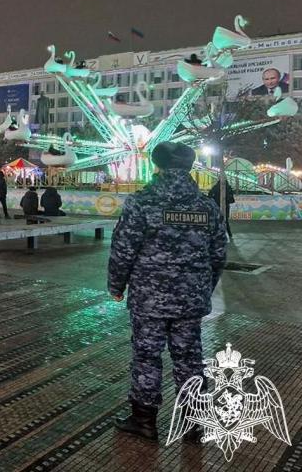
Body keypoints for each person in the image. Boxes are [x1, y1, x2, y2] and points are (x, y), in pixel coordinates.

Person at [108, 141, 227, 443]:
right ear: (188, 168)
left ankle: (144, 421)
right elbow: (218, 254)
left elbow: (123, 249)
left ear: (157, 167)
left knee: (147, 357)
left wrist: (116, 286)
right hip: (190, 301)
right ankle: (194, 424)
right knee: (190, 359)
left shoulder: (142, 202)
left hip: (149, 300)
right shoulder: (206, 207)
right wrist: (203, 288)